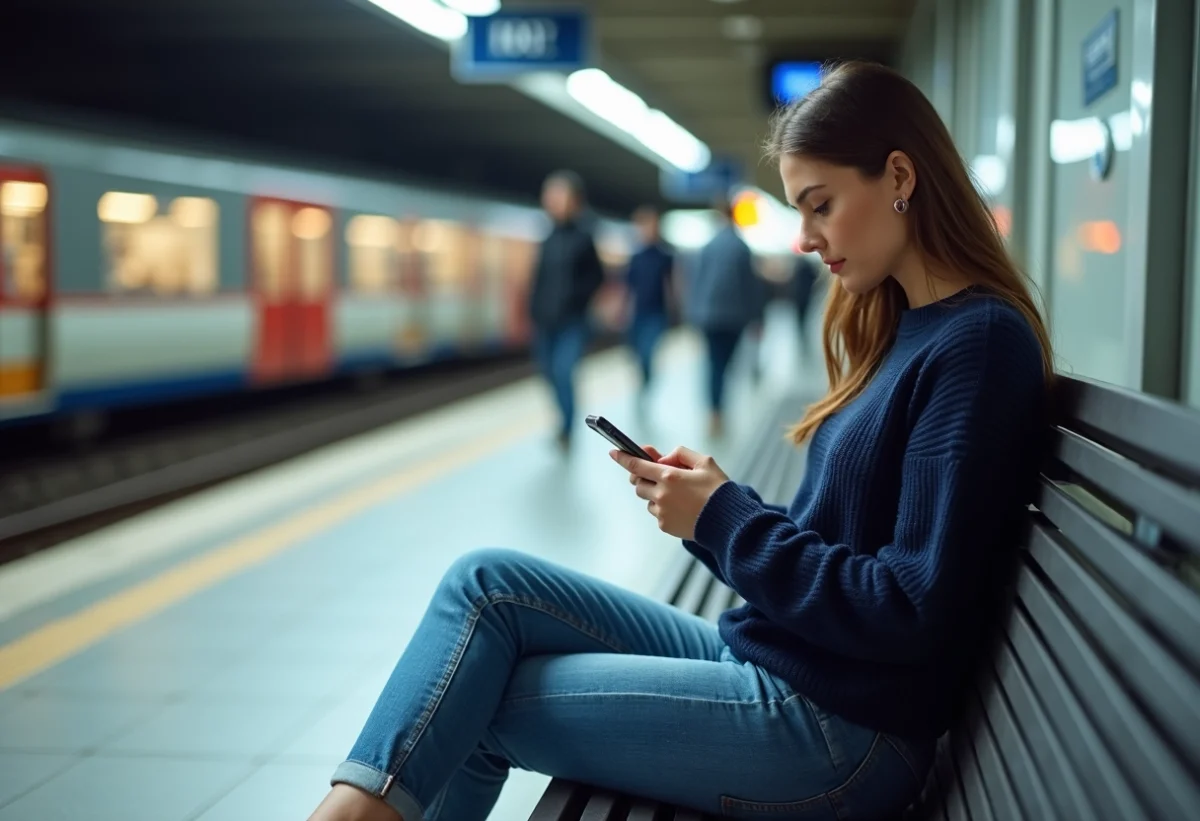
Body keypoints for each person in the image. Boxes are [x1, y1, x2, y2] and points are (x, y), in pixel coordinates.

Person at [306, 60, 1053, 821]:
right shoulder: (910, 328)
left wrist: (724, 518)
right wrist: (714, 504)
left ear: (899, 174)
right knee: (486, 584)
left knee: (471, 702)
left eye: (819, 205)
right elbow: (850, 549)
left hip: (839, 731)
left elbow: (906, 607)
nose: (804, 238)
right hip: (792, 665)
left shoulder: (978, 344)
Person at [527, 170, 605, 450]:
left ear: (574, 200)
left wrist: (576, 300)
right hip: (545, 321)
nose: (551, 199)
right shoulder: (548, 237)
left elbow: (597, 277)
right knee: (547, 373)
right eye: (549, 194)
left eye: (558, 194)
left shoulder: (584, 237)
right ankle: (562, 418)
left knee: (563, 371)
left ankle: (567, 428)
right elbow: (539, 278)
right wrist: (532, 309)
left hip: (572, 320)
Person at [686, 196, 767, 438]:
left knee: (712, 364)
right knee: (726, 364)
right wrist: (757, 318)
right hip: (734, 317)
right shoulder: (741, 247)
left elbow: (697, 282)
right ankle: (719, 408)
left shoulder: (708, 245)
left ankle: (714, 411)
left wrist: (694, 315)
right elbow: (750, 287)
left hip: (709, 316)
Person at [623, 204, 675, 403]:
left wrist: (675, 310)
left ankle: (646, 383)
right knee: (636, 353)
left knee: (647, 351)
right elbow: (628, 286)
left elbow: (672, 284)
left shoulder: (665, 255)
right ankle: (643, 378)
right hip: (638, 313)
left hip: (657, 313)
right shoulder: (635, 256)